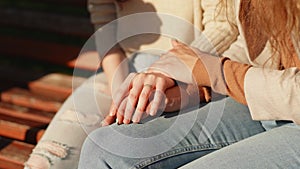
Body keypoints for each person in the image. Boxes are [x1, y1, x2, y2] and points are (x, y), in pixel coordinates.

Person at [78, 0, 300, 168]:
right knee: (104, 147)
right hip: (258, 100)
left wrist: (212, 71)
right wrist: (189, 88)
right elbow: (259, 47)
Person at [24, 0, 238, 168]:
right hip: (123, 73)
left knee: (113, 153)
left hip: (191, 79)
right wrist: (121, 94)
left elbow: (223, 26)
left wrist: (167, 70)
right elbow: (105, 25)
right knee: (46, 161)